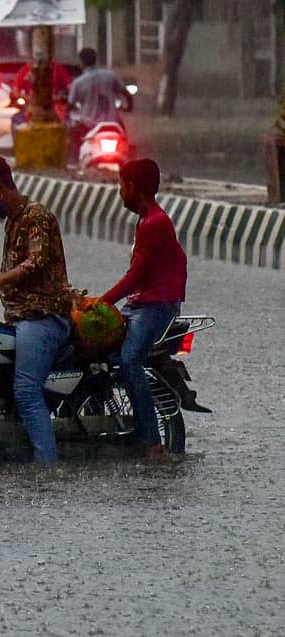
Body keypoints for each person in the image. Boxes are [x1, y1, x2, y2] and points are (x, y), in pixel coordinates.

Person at [0, 155, 77, 466]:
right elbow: (17, 276)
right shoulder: (13, 222)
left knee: (27, 391)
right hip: (20, 318)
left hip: (44, 318)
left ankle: (46, 469)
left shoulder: (36, 216)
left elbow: (36, 262)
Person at [99, 158, 186, 460]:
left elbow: (135, 275)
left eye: (121, 185)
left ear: (132, 188)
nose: (119, 191)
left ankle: (152, 440)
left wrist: (102, 302)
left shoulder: (155, 223)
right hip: (142, 302)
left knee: (129, 359)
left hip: (157, 307)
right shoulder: (145, 220)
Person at [66, 47, 132, 160]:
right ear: (95, 60)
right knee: (125, 141)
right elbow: (126, 93)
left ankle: (76, 162)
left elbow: (70, 105)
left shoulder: (78, 82)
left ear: (81, 62)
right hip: (113, 123)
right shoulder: (110, 75)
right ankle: (129, 158)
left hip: (89, 125)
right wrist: (129, 107)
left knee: (72, 137)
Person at [10, 57, 73, 138]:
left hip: (54, 107)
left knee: (68, 123)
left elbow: (71, 88)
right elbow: (15, 91)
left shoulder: (58, 69)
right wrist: (29, 98)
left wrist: (57, 97)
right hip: (32, 107)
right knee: (16, 120)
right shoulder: (25, 69)